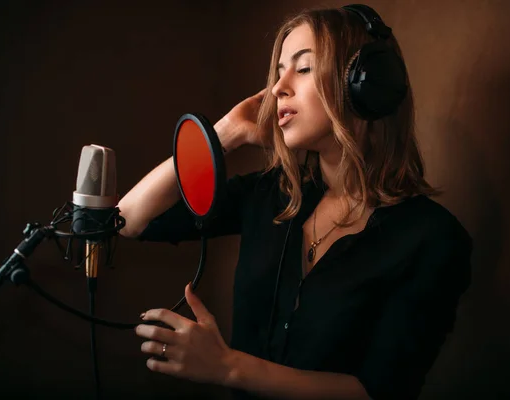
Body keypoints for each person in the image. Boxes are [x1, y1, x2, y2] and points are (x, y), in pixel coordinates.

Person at [119, 4, 472, 400]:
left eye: (303, 69)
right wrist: (224, 134)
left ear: (366, 85)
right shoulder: (271, 195)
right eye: (279, 71)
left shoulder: (433, 238)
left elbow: (380, 391)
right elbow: (129, 219)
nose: (277, 88)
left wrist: (227, 367)